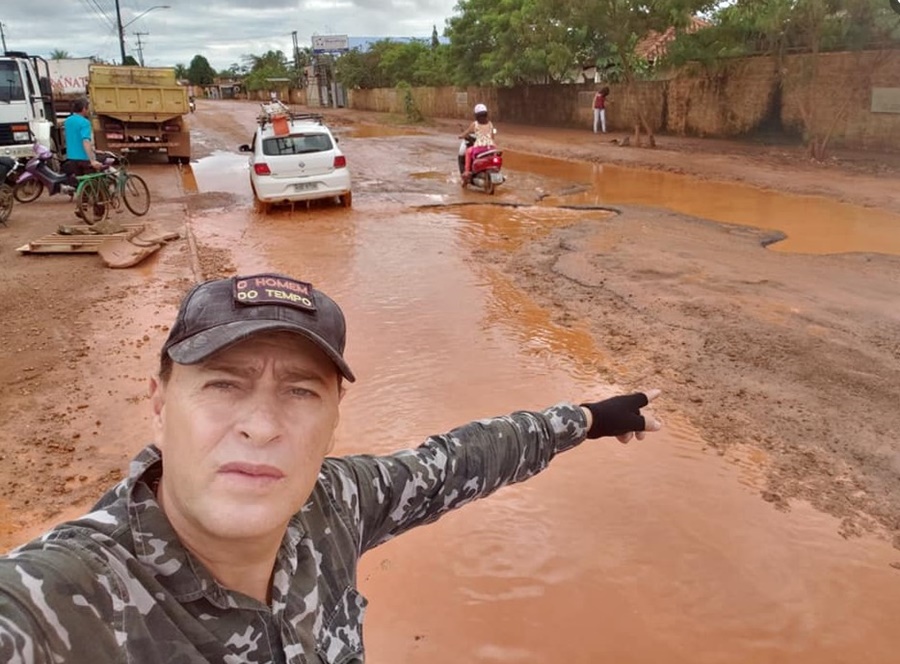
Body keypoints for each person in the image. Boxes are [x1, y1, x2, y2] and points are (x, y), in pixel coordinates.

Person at [0, 272, 661, 662]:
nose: (262, 424)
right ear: (158, 404)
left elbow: (458, 461)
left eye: (300, 391)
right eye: (224, 384)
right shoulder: (61, 600)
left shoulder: (333, 503)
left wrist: (588, 419)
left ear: (334, 419)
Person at [62, 96, 102, 189]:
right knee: (94, 184)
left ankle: (82, 198)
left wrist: (93, 150)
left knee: (81, 183)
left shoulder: (68, 121)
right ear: (84, 108)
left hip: (72, 158)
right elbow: (85, 141)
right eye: (88, 108)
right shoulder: (85, 122)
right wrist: (92, 160)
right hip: (84, 158)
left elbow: (75, 139)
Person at [458, 103, 496, 183]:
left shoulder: (475, 124)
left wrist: (460, 136)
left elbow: (466, 132)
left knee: (468, 151)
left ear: (476, 115)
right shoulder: (490, 124)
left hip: (479, 148)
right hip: (490, 147)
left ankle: (467, 171)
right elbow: (493, 135)